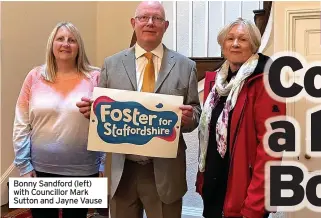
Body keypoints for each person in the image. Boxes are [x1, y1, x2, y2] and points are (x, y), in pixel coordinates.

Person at [76, 1, 201, 218]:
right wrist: (93, 111)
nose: (150, 23)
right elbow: (105, 112)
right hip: (122, 170)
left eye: (157, 18)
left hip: (165, 172)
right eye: (143, 17)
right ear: (133, 23)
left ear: (166, 25)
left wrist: (189, 118)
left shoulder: (186, 66)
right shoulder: (111, 64)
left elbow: (195, 113)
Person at [12, 22, 106, 218]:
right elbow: (21, 122)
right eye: (60, 39)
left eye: (72, 40)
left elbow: (105, 123)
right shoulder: (35, 76)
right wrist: (23, 164)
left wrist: (102, 163)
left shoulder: (95, 77)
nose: (66, 44)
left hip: (83, 168)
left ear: (79, 46)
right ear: (51, 44)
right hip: (39, 168)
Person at [196, 18, 286, 218]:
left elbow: (271, 149)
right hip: (215, 188)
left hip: (245, 194)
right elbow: (208, 137)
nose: (235, 44)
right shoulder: (216, 82)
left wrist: (255, 204)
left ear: (254, 45)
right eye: (230, 38)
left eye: (243, 39)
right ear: (222, 44)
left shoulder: (267, 81)